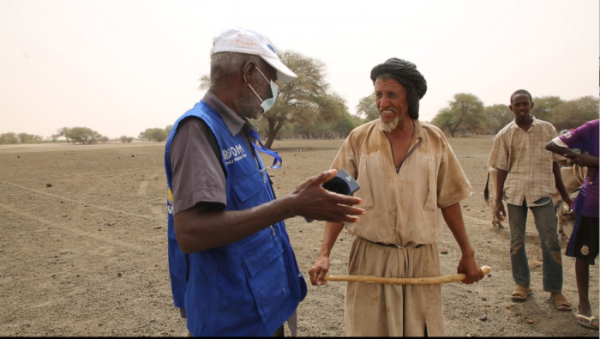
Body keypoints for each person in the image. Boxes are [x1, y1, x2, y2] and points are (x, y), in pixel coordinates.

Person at [163, 27, 365, 337]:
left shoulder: (239, 132)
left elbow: (251, 210)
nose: (272, 93)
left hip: (263, 306)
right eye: (270, 81)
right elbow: (191, 232)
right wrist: (290, 205)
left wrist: (298, 199)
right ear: (248, 72)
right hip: (232, 318)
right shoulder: (198, 131)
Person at [308, 58, 484, 336]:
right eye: (378, 94)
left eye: (392, 94)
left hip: (421, 261)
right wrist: (323, 255)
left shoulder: (435, 140)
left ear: (411, 97)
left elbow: (449, 199)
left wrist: (468, 253)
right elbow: (338, 201)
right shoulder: (359, 140)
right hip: (371, 259)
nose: (383, 102)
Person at [487, 89, 573, 310]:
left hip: (542, 193)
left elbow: (555, 163)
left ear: (532, 105)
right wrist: (497, 201)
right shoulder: (504, 134)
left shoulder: (547, 129)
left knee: (551, 242)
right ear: (511, 108)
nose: (522, 108)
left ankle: (555, 290)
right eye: (518, 105)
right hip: (515, 194)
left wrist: (564, 195)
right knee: (517, 242)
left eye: (525, 104)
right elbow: (501, 168)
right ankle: (523, 284)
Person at [545, 119, 599, 329]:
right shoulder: (593, 127)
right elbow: (552, 144)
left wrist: (592, 160)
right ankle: (584, 304)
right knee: (584, 254)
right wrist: (577, 157)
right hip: (594, 202)